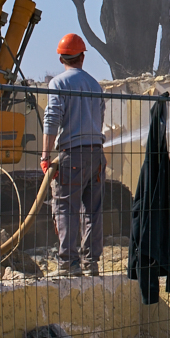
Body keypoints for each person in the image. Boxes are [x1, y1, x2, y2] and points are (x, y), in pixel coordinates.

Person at [41, 33, 106, 277]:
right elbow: (99, 118)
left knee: (65, 207)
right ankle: (91, 264)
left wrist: (45, 155)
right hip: (97, 155)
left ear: (61, 59)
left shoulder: (58, 83)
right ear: (82, 57)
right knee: (93, 210)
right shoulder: (94, 85)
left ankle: (68, 264)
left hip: (72, 155)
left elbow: (52, 119)